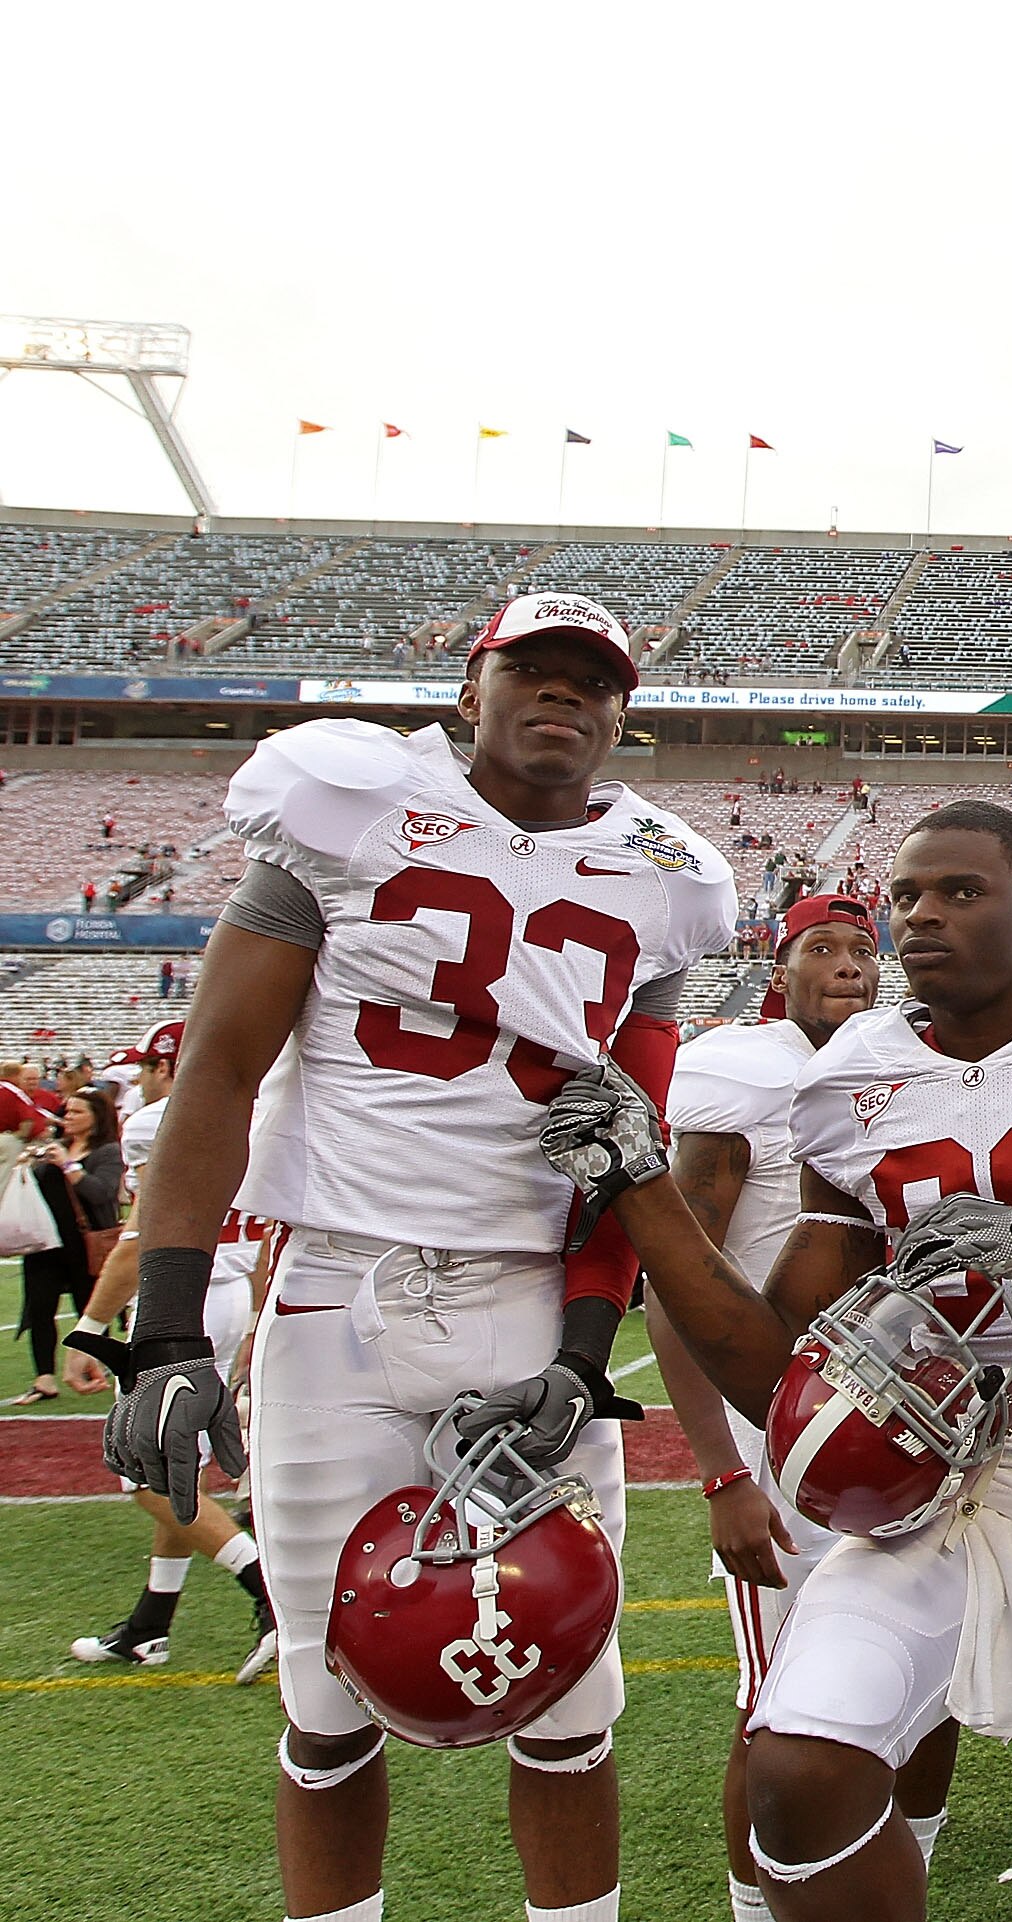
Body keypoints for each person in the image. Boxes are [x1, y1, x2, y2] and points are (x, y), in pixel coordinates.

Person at [554, 797, 1012, 1922]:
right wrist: (644, 1195)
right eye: (906, 895)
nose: (921, 917)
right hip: (934, 1497)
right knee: (797, 1765)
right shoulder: (846, 1080)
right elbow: (781, 1365)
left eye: (961, 891)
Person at [103, 592, 734, 1922]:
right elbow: (218, 1066)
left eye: (591, 679)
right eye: (533, 669)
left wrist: (577, 1358)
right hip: (341, 1289)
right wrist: (168, 1326)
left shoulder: (671, 875)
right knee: (331, 1704)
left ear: (625, 712)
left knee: (567, 1692)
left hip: (525, 1296)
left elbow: (625, 1150)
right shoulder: (350, 803)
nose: (561, 693)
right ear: (471, 682)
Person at [637, 893, 963, 1922]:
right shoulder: (743, 1071)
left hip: (903, 1422)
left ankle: (910, 1865)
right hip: (776, 1429)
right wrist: (722, 1472)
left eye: (863, 949)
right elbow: (675, 1280)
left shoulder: (903, 1060)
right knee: (773, 1700)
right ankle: (754, 1905)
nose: (848, 964)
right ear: (776, 971)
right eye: (820, 947)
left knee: (930, 1679)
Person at [60, 1019, 279, 1681]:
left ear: (163, 1066)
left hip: (185, 1296)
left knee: (145, 1476)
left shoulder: (160, 1121)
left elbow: (141, 1239)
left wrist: (91, 1330)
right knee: (176, 1462)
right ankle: (150, 1626)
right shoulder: (262, 1110)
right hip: (236, 1291)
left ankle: (268, 1599)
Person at [17, 1086, 123, 1404]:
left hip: (86, 1242)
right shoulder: (55, 1145)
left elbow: (101, 1192)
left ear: (96, 1117)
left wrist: (69, 1166)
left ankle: (97, 1366)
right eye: (67, 1111)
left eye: (77, 1112)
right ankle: (44, 1378)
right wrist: (28, 1164)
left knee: (88, 1305)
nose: (68, 1117)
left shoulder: (107, 1152)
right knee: (40, 1307)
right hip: (46, 1242)